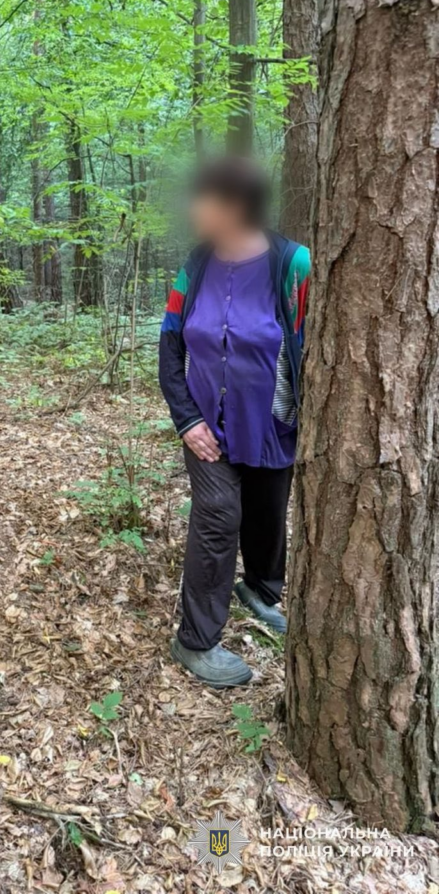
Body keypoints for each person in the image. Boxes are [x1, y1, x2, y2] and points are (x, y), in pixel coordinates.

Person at [159, 156, 310, 688]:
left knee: (268, 512)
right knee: (219, 516)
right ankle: (196, 639)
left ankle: (262, 591)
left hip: (273, 423)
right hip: (207, 428)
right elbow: (170, 343)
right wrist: (186, 420)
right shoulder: (195, 266)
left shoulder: (292, 264)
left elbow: (313, 339)